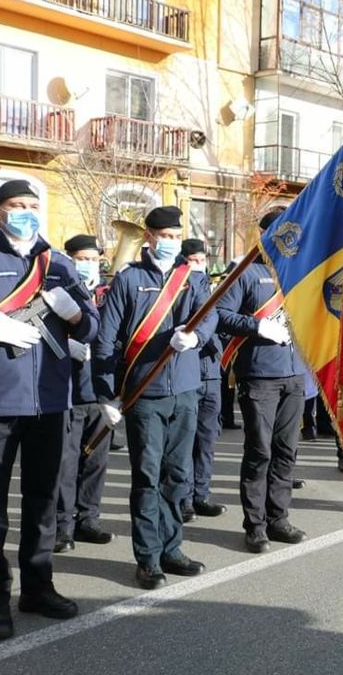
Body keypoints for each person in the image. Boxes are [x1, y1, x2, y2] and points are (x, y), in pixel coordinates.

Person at [0, 180, 98, 639]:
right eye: (18, 205)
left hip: (51, 399)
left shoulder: (57, 263)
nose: (27, 213)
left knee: (42, 502)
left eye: (34, 206)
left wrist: (75, 315)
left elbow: (91, 326)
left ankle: (38, 586)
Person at [93, 205, 215, 590]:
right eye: (164, 237)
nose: (171, 243)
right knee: (147, 476)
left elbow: (208, 315)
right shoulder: (129, 280)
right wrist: (107, 393)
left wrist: (196, 337)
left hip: (185, 390)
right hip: (144, 392)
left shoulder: (192, 278)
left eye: (176, 236)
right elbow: (106, 340)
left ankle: (171, 548)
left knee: (177, 475)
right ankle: (147, 558)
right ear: (149, 238)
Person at [217, 211, 307, 553]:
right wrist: (257, 327)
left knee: (286, 451)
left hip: (294, 373)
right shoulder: (245, 272)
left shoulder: (299, 272)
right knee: (260, 451)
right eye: (283, 232)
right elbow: (221, 314)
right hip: (259, 376)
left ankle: (278, 518)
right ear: (266, 234)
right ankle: (254, 525)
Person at [54, 235, 114, 555]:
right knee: (66, 461)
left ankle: (88, 518)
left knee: (96, 461)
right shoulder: (60, 292)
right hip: (69, 390)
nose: (89, 263)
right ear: (71, 258)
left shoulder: (109, 293)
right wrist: (67, 348)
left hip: (100, 390)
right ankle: (62, 526)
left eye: (94, 258)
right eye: (83, 257)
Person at [178, 239, 227, 522]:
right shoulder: (178, 290)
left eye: (201, 260)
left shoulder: (214, 287)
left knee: (208, 438)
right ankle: (183, 499)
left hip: (211, 372)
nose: (198, 264)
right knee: (185, 440)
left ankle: (201, 494)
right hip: (189, 371)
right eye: (193, 260)